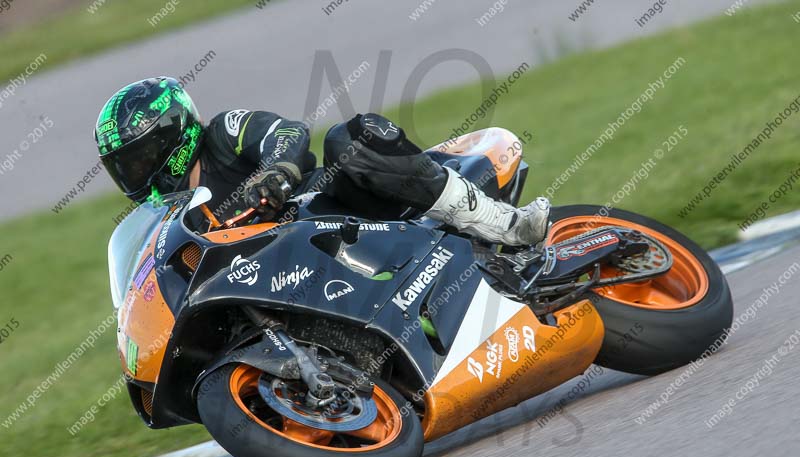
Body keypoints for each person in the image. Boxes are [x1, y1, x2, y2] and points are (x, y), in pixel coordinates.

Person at [95, 77, 550, 246]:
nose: (133, 175)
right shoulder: (166, 217)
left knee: (346, 138)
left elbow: (287, 132)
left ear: (172, 136)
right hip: (286, 271)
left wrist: (276, 173)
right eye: (122, 167)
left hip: (338, 211)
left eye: (138, 160)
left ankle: (506, 225)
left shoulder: (222, 134)